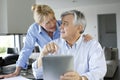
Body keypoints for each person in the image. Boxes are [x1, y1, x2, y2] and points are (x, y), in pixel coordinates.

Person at [0, 4, 92, 79]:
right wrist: (16, 72)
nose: (53, 24)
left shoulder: (61, 24)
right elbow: (26, 50)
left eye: (53, 18)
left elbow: (75, 31)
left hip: (65, 63)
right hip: (48, 65)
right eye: (48, 22)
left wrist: (83, 35)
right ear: (40, 24)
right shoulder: (34, 30)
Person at [32, 10, 107, 80]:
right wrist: (42, 54)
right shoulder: (52, 45)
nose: (60, 27)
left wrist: (81, 78)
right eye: (61, 23)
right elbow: (38, 74)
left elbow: (99, 71)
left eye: (65, 24)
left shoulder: (92, 45)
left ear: (79, 27)